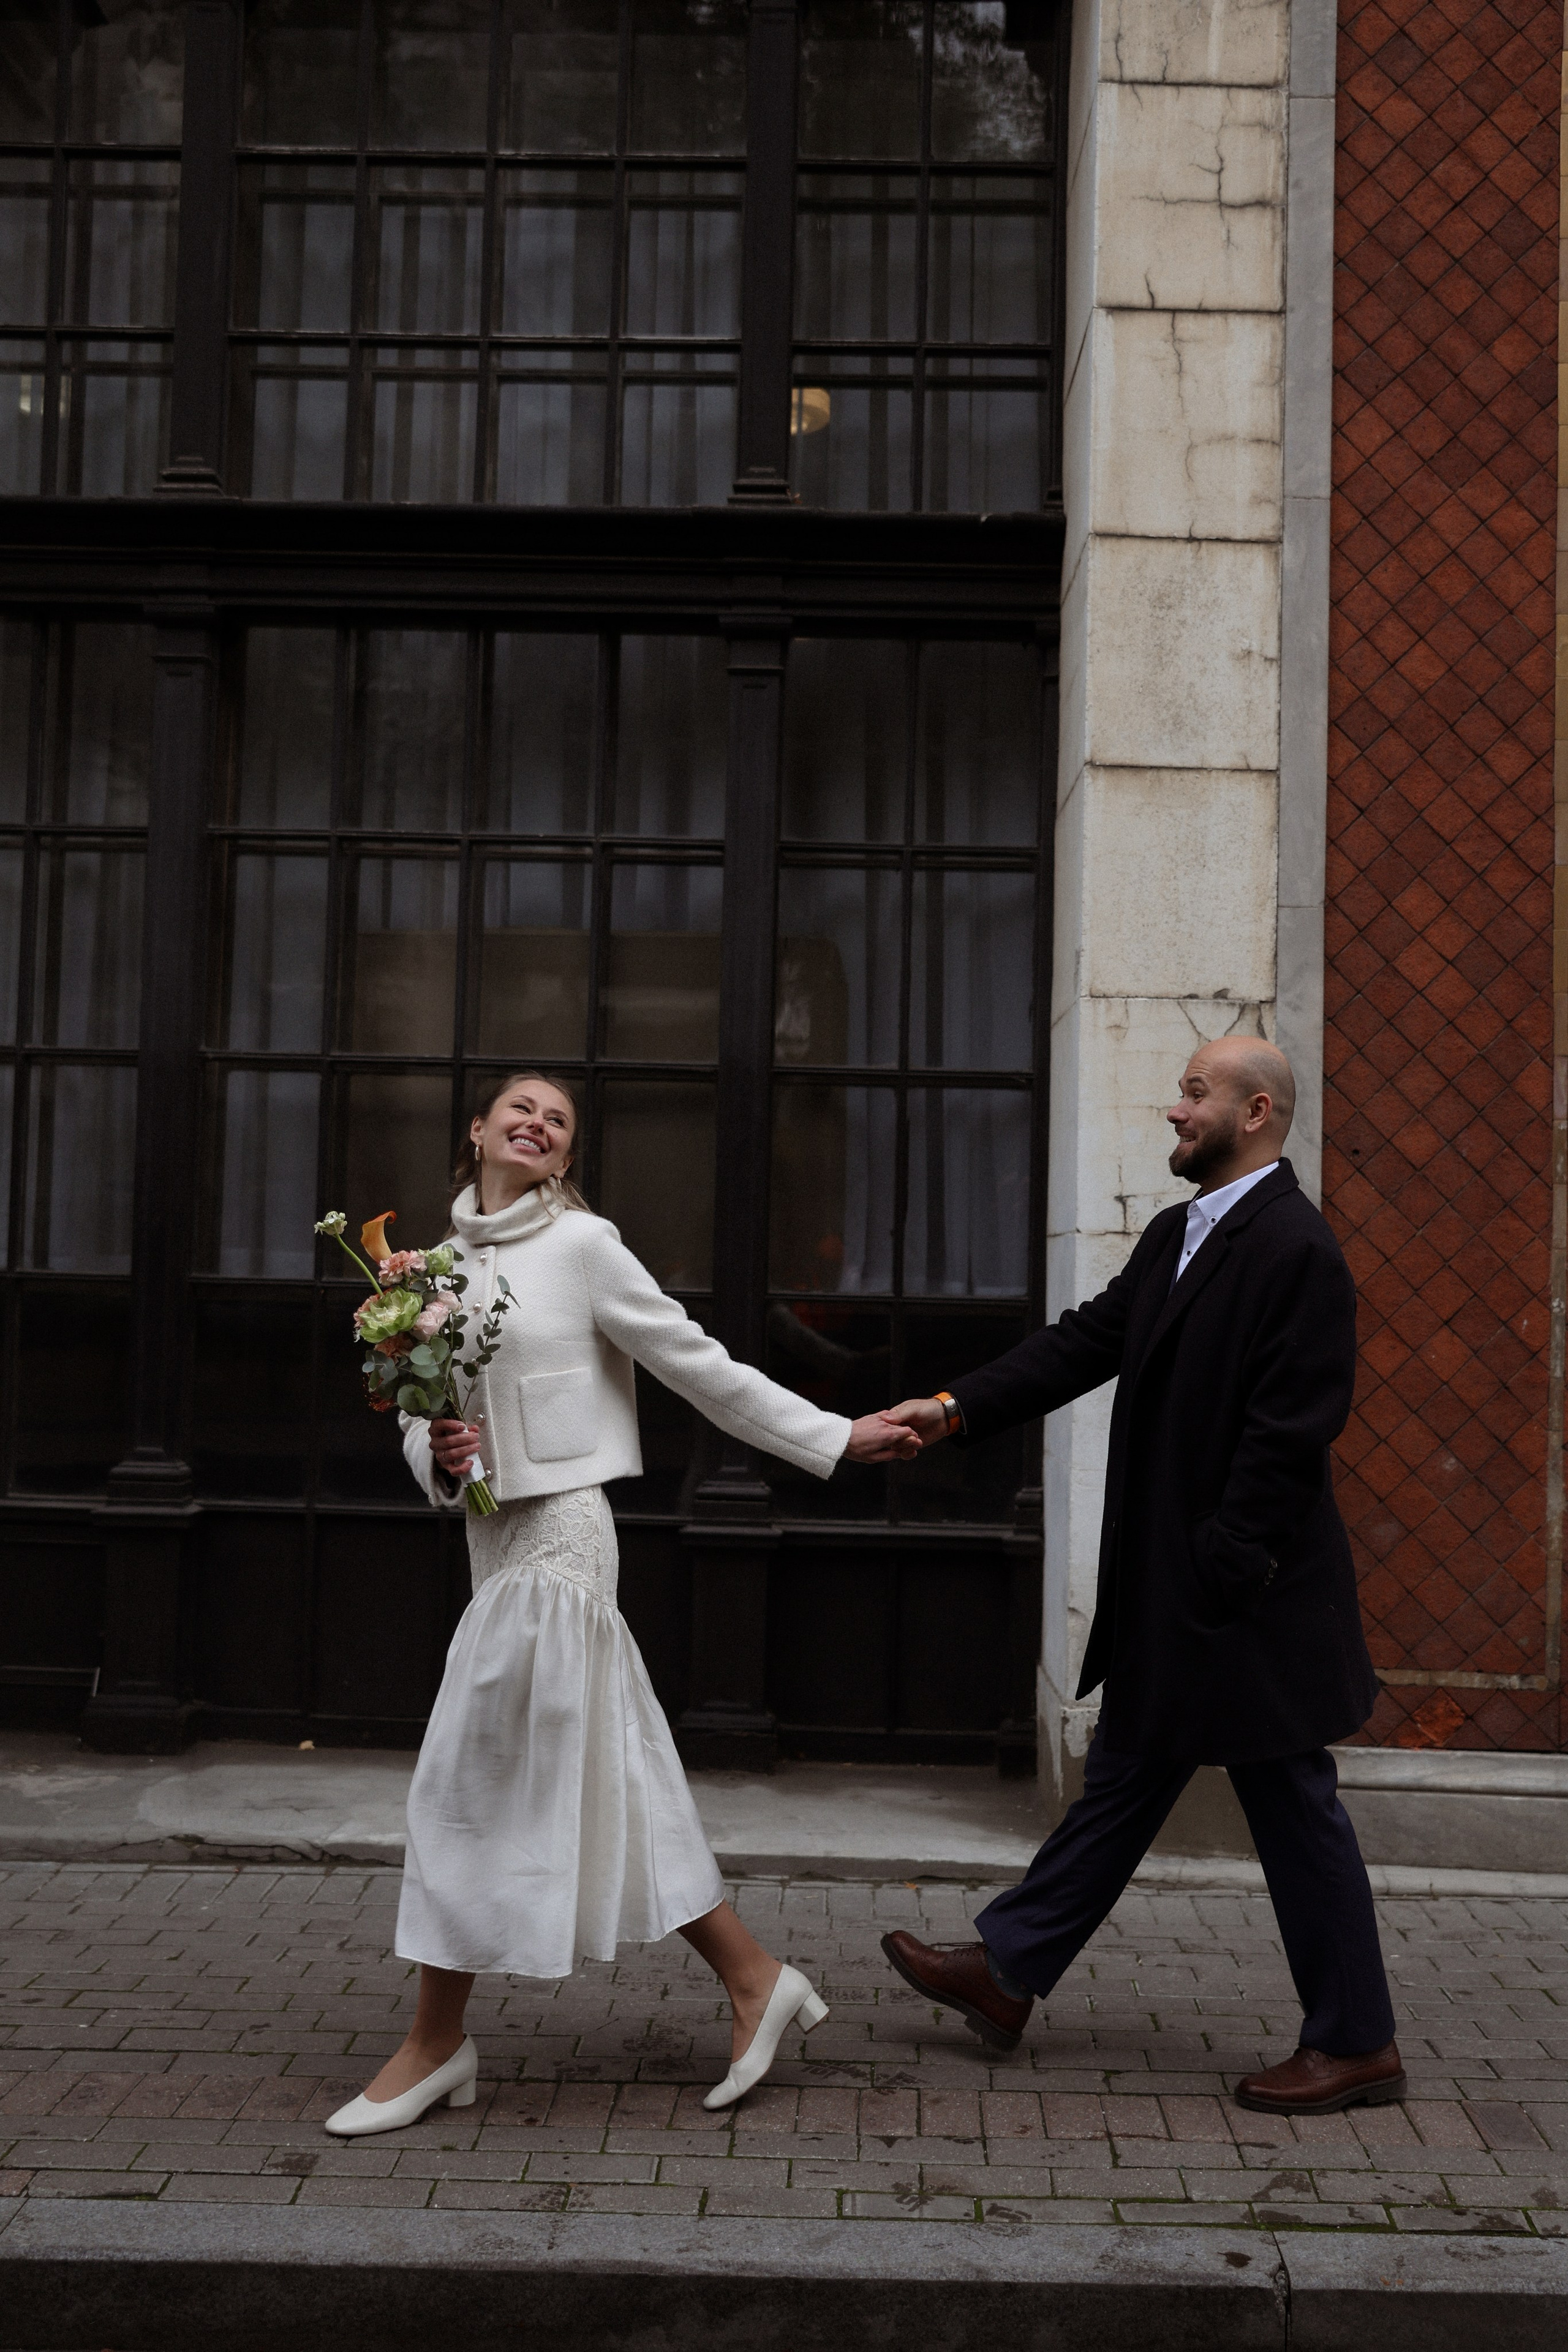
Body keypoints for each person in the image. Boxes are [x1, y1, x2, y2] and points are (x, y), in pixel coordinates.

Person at [323, 1070, 919, 2139]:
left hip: (563, 1539)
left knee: (469, 1774)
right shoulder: (428, 1271)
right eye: (521, 1108)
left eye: (559, 1119)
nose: (538, 1123)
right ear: (478, 1130)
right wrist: (439, 1451)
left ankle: (434, 2042)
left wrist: (834, 1434)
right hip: (493, 1540)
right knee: (613, 1772)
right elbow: (422, 1416)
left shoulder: (585, 1248)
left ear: (567, 1153)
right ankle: (754, 1978)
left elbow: (697, 1363)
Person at [876, 1035, 1404, 2118]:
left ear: (1256, 1112)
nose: (1176, 1109)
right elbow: (1082, 1344)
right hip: (1187, 1596)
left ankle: (1357, 2044)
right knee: (1128, 1778)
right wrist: (951, 1411)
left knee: (1296, 1809)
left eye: (1195, 1092)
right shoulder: (1180, 1235)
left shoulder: (1295, 1248)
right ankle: (1008, 1971)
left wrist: (1225, 1567)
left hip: (1243, 1601)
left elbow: (1290, 1432)